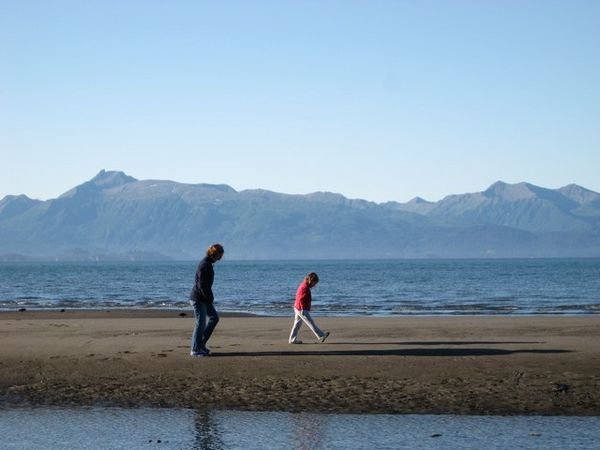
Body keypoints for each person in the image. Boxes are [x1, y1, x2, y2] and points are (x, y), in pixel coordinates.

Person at [189, 243, 224, 357]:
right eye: (220, 255)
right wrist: (209, 298)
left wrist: (209, 298)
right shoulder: (204, 265)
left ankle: (201, 344)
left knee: (214, 318)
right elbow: (201, 285)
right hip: (199, 298)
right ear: (215, 254)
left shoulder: (209, 263)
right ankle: (195, 349)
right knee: (200, 323)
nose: (220, 258)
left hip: (205, 298)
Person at [288, 272, 330, 344]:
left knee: (297, 324)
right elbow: (301, 299)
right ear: (311, 280)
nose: (315, 285)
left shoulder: (303, 285)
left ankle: (292, 340)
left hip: (297, 307)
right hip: (301, 308)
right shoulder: (305, 287)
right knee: (310, 323)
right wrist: (303, 309)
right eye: (315, 283)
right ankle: (321, 336)